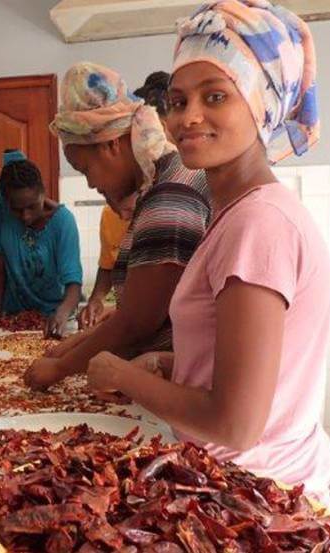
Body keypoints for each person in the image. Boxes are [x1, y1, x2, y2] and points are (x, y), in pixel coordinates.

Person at [86, 0, 330, 514]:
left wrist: (121, 376)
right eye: (178, 101)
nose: (188, 117)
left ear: (261, 104)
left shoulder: (259, 225)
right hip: (243, 485)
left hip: (256, 505)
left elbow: (237, 424)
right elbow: (263, 372)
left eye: (216, 96)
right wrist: (176, 363)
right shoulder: (241, 213)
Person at [24, 61, 210, 390]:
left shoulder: (169, 197)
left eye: (85, 169)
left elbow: (137, 322)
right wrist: (69, 348)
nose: (92, 184)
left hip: (179, 388)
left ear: (111, 145)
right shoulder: (163, 181)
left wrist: (58, 369)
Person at [80, 71, 170, 329]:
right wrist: (100, 300)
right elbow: (109, 267)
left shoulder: (175, 198)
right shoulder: (112, 212)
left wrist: (60, 363)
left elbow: (150, 313)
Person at [0, 150, 82, 338]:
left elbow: (73, 283)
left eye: (32, 206)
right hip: (13, 319)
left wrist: (61, 314)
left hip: (54, 317)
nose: (26, 216)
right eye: (17, 210)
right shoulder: (0, 212)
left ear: (43, 192)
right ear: (6, 204)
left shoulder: (63, 221)